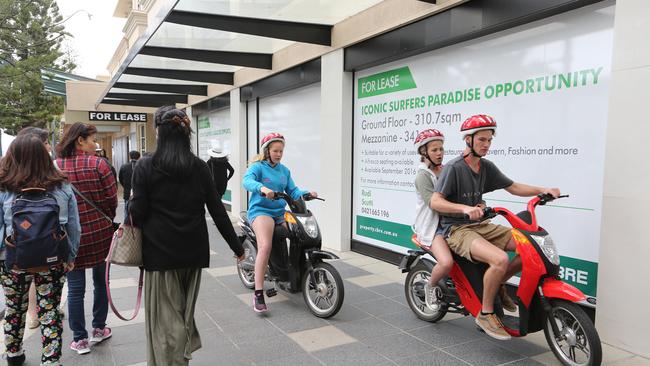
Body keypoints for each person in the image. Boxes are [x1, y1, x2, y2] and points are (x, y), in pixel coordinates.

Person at [129, 107, 245, 366]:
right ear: (186, 134)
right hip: (193, 255)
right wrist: (237, 247)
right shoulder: (199, 167)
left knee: (165, 323)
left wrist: (129, 209)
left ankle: (174, 359)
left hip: (159, 256)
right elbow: (218, 211)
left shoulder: (146, 165)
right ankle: (181, 353)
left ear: (159, 132)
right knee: (181, 315)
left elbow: (137, 213)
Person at [430, 114, 560, 340]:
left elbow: (513, 186)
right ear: (468, 140)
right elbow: (435, 201)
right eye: (481, 140)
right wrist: (464, 209)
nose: (486, 144)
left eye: (489, 140)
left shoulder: (485, 167)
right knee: (499, 259)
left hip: (481, 225)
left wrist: (543, 190)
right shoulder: (454, 168)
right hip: (456, 230)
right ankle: (486, 312)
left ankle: (498, 283)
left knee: (529, 247)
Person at [0, 134, 81, 366]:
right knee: (49, 309)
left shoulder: (4, 186)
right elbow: (74, 226)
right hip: (53, 259)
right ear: (45, 157)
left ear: (12, 157)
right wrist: (70, 256)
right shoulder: (62, 185)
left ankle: (14, 355)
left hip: (13, 260)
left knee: (15, 308)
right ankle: (51, 360)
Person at [55, 123, 118, 354]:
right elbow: (112, 200)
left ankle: (79, 339)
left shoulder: (56, 166)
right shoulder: (99, 164)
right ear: (80, 141)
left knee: (75, 288)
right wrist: (106, 218)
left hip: (70, 238)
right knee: (101, 282)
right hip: (99, 232)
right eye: (92, 139)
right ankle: (99, 329)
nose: (95, 144)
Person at [242, 132, 317, 313]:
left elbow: (293, 190)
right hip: (261, 212)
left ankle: (290, 274)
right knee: (265, 246)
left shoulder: (284, 171)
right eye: (275, 150)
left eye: (281, 151)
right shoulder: (258, 167)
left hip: (279, 213)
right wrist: (262, 188)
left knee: (299, 235)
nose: (279, 154)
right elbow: (247, 181)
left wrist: (307, 193)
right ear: (267, 151)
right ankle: (258, 294)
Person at [412, 129, 453, 311]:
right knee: (446, 262)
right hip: (433, 227)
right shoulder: (423, 176)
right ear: (424, 152)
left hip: (450, 224)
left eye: (441, 149)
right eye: (435, 150)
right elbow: (434, 204)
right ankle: (431, 286)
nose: (439, 153)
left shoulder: (445, 170)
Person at [118, 150, 141, 217]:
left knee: (127, 211)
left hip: (127, 193)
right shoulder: (142, 167)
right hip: (139, 194)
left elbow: (120, 179)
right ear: (139, 157)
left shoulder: (124, 166)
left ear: (129, 157)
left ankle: (127, 226)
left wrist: (126, 186)